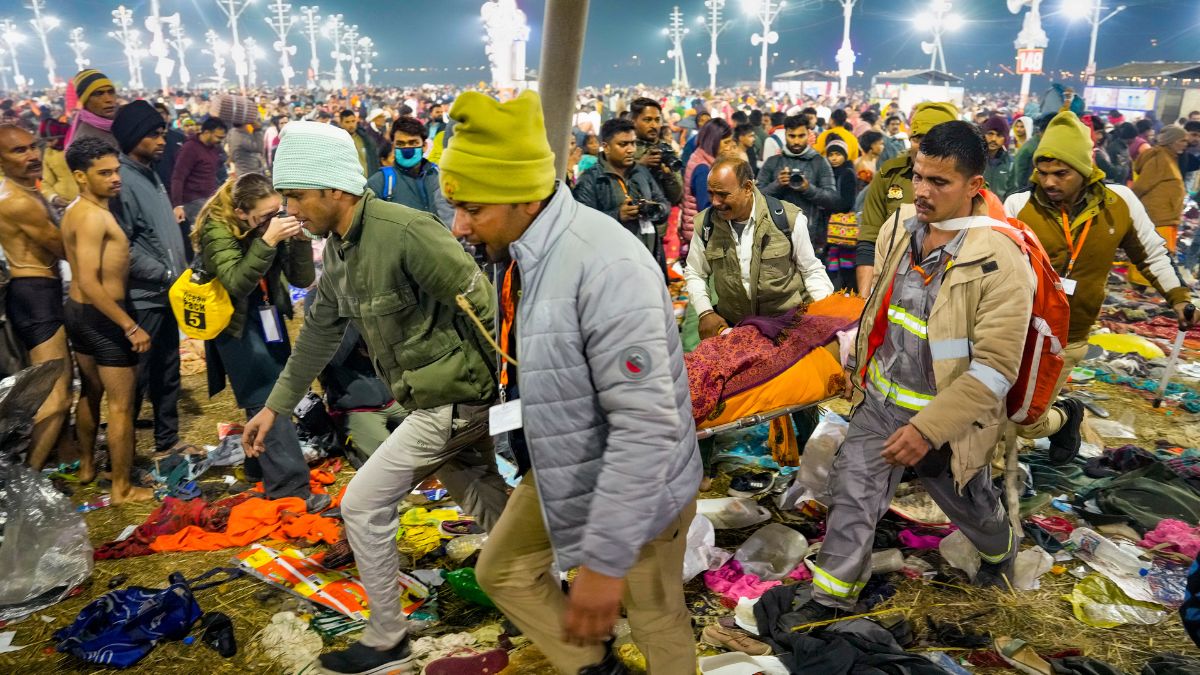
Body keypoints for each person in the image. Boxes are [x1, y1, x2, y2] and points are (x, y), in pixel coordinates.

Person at [444, 89, 700, 675]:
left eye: (474, 209)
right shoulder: (529, 254)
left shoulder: (606, 266)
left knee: (657, 622)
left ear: (526, 199)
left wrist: (604, 564)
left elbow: (645, 425)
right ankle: (597, 668)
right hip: (565, 467)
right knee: (502, 570)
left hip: (639, 491)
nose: (459, 226)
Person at [241, 120, 510, 675]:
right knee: (482, 495)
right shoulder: (339, 248)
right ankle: (540, 589)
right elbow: (319, 330)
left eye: (295, 195)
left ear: (333, 190)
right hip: (428, 399)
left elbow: (482, 303)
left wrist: (497, 393)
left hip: (456, 399)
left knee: (362, 504)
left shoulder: (406, 232)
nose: (290, 208)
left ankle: (387, 636)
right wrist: (275, 406)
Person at [791, 121, 1034, 627]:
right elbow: (882, 307)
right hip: (880, 403)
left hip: (949, 420)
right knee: (853, 492)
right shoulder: (899, 228)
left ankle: (999, 551)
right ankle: (828, 602)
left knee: (968, 505)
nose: (922, 191)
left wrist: (928, 429)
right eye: (919, 176)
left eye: (940, 182)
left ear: (974, 186)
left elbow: (994, 369)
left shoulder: (1001, 263)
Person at [1006, 112, 1195, 460]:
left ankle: (1066, 416)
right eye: (1043, 173)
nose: (1049, 182)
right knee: (994, 408)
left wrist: (1178, 296)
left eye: (1061, 174)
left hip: (1070, 336)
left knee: (1026, 422)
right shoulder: (1019, 205)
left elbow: (1152, 252)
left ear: (1083, 167)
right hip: (1017, 331)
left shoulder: (1119, 202)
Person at [194, 173, 326, 511]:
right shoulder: (216, 229)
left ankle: (258, 467)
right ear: (241, 214)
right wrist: (267, 241)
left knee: (281, 387)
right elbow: (237, 283)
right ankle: (290, 492)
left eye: (277, 211)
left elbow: (302, 279)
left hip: (267, 313)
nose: (275, 220)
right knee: (263, 395)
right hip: (235, 323)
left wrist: (297, 238)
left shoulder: (273, 223)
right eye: (264, 216)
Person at [61, 137, 154, 502]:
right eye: (105, 173)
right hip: (103, 316)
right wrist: (128, 325)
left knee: (90, 391)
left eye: (116, 170)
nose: (116, 178)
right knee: (120, 406)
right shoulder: (92, 217)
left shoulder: (74, 210)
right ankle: (121, 487)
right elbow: (88, 280)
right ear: (81, 176)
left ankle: (87, 468)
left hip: (80, 313)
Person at [110, 100, 190, 454]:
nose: (162, 140)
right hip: (145, 297)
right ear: (132, 136)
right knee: (139, 379)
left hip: (165, 292)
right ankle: (121, 459)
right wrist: (166, 272)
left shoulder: (148, 172)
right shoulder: (122, 181)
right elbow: (121, 246)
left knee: (167, 371)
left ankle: (166, 441)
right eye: (153, 134)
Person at [686, 155, 834, 335]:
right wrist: (705, 312)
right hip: (734, 330)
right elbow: (695, 272)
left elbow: (811, 269)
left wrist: (824, 313)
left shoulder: (787, 219)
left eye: (723, 194)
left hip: (787, 328)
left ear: (747, 188)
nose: (715, 202)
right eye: (711, 193)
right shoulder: (706, 225)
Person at [0, 123, 73, 473]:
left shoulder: (23, 189)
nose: (32, 155)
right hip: (36, 294)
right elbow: (64, 248)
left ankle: (49, 465)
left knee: (58, 392)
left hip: (35, 292)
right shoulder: (17, 202)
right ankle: (28, 480)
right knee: (55, 398)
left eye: (33, 146)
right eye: (19, 151)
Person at [854, 102, 958, 294]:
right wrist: (865, 299)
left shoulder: (964, 185)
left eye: (930, 140)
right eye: (917, 138)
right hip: (888, 288)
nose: (922, 148)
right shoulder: (889, 174)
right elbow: (869, 240)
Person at [573, 118, 672, 274]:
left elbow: (664, 203)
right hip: (611, 268)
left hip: (649, 262)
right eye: (623, 144)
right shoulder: (590, 180)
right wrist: (618, 216)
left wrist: (657, 209)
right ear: (606, 147)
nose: (631, 150)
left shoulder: (641, 172)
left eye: (632, 143)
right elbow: (581, 226)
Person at [756, 114, 839, 251]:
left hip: (809, 234)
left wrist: (808, 188)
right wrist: (777, 184)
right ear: (785, 135)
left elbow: (832, 199)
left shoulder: (819, 162)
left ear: (808, 134)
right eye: (792, 136)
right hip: (775, 234)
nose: (796, 141)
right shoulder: (772, 162)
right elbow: (755, 198)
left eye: (801, 136)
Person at [365, 116, 454, 226]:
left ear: (425, 146)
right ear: (393, 146)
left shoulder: (439, 177)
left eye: (413, 143)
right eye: (400, 144)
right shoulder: (380, 183)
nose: (407, 149)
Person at [681, 118, 735, 258]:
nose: (729, 147)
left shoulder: (701, 156)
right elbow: (706, 207)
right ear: (714, 141)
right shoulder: (703, 169)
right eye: (726, 143)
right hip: (700, 236)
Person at [1132, 125, 1189, 257]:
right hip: (1157, 218)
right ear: (1171, 141)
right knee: (1153, 257)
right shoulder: (1158, 158)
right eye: (1182, 140)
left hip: (1166, 217)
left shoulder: (1170, 158)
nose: (1185, 144)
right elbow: (1141, 186)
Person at [171, 117, 228, 227]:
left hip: (209, 198)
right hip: (193, 201)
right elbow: (178, 177)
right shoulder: (190, 148)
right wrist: (177, 205)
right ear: (206, 132)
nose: (220, 141)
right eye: (218, 137)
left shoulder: (214, 148)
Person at [629, 97, 684, 207]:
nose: (654, 125)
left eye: (657, 120)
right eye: (647, 120)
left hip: (660, 218)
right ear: (633, 121)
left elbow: (676, 197)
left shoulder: (666, 149)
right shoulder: (626, 147)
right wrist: (640, 165)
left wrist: (669, 177)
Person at [823, 138, 860, 290]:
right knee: (833, 263)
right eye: (831, 154)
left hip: (841, 224)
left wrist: (827, 202)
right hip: (832, 227)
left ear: (845, 155)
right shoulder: (827, 172)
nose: (834, 158)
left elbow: (847, 202)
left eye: (838, 154)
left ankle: (847, 292)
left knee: (846, 263)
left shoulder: (847, 173)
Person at [64, 69, 117, 150]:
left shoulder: (123, 122)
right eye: (99, 94)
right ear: (85, 101)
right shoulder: (85, 141)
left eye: (111, 92)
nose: (108, 99)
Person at [38, 118, 78, 212]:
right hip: (65, 207)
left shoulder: (80, 146)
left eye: (51, 140)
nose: (48, 144)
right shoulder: (49, 153)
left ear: (62, 135)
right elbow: (46, 182)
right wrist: (53, 197)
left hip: (90, 203)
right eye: (46, 141)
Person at [154, 101, 187, 191]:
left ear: (168, 117)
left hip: (179, 188)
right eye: (155, 113)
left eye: (161, 113)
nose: (158, 116)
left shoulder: (180, 138)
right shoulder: (148, 140)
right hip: (158, 188)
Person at [980, 115, 1014, 200]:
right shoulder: (974, 160)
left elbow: (1012, 192)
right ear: (984, 135)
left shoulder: (1010, 164)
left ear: (1005, 139)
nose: (994, 139)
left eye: (999, 135)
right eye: (990, 133)